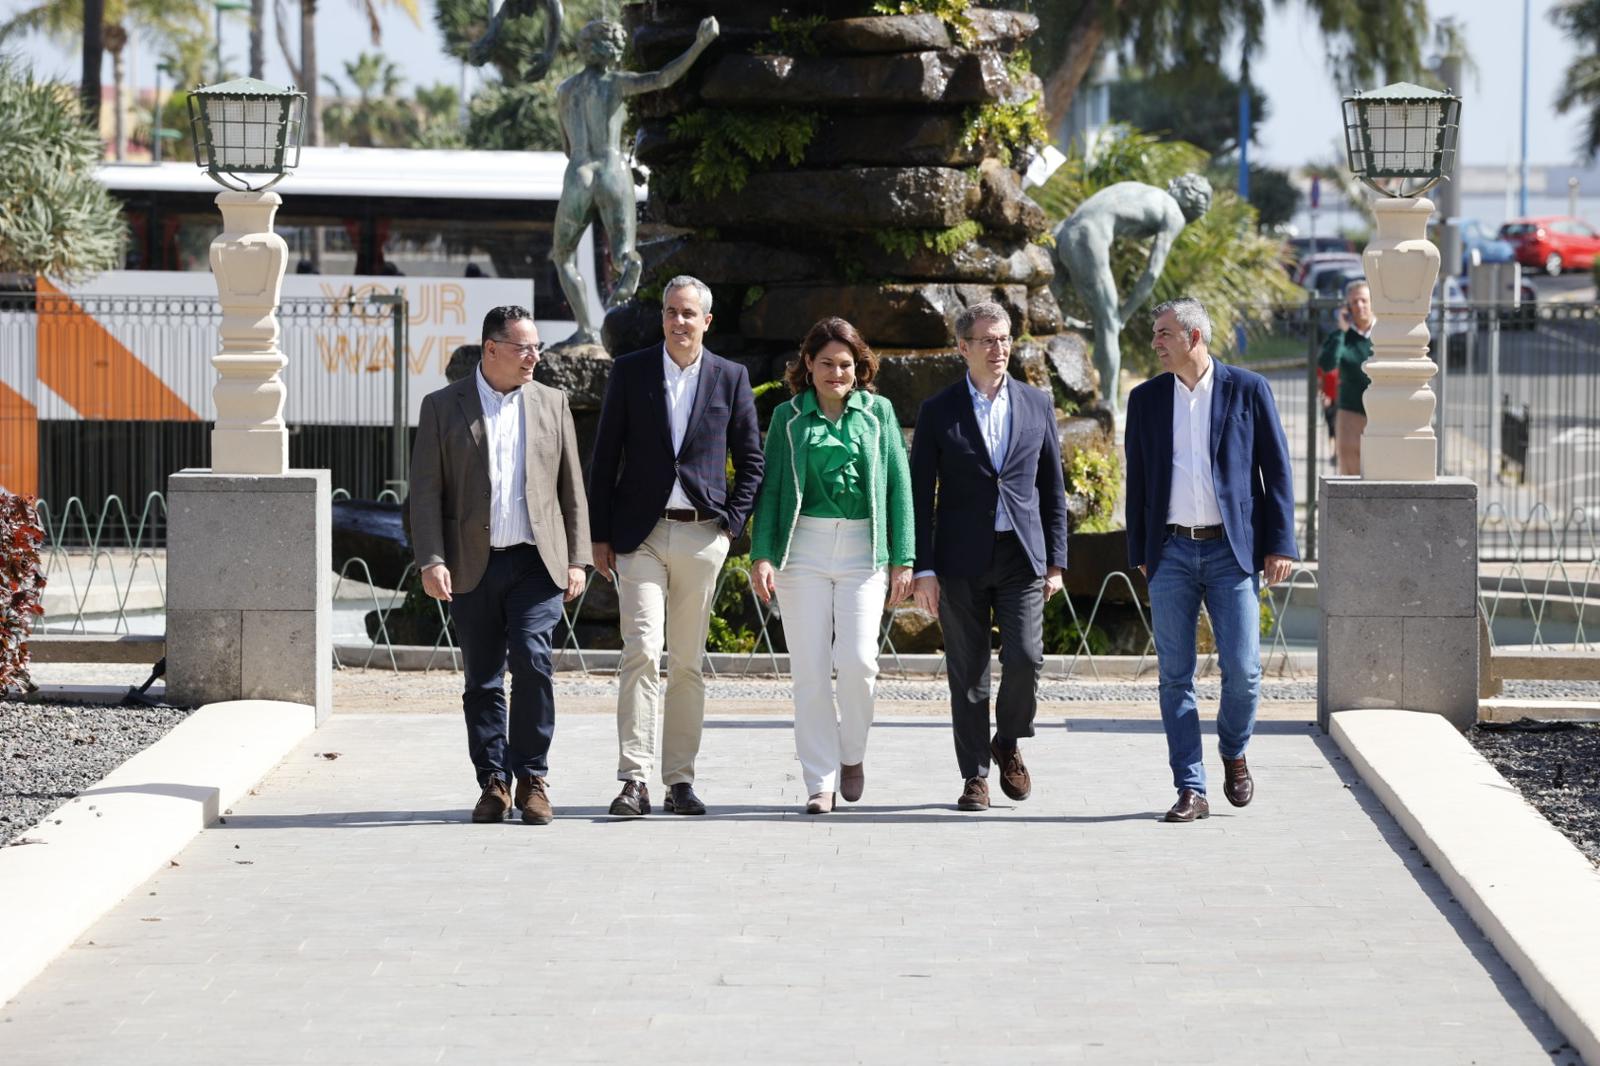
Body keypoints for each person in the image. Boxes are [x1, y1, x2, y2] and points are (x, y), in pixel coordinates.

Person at [407, 305, 591, 825]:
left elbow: (572, 488)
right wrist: (431, 559)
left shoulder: (553, 402)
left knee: (533, 661)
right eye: (523, 348)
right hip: (472, 563)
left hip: (536, 562)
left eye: (537, 348)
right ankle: (493, 781)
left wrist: (577, 558)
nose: (534, 357)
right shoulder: (442, 406)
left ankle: (532, 777)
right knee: (483, 680)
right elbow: (425, 492)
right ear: (491, 349)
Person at [588, 275, 764, 817]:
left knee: (686, 662)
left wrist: (730, 527)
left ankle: (680, 781)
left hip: (701, 534)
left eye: (689, 313)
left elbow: (751, 461)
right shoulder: (631, 370)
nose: (679, 321)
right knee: (641, 651)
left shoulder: (730, 377)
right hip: (638, 536)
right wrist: (599, 536)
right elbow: (604, 457)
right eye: (671, 311)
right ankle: (634, 779)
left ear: (706, 321)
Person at [1124, 297, 1297, 824]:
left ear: (1194, 337)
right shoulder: (1146, 399)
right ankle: (1191, 787)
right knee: (1174, 677)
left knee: (1243, 672)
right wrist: (1141, 551)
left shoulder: (1248, 389)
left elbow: (1276, 471)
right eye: (1156, 334)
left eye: (1164, 333)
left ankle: (1233, 750)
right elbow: (1138, 481)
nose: (1156, 342)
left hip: (1231, 551)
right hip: (1170, 551)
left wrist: (1280, 544)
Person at [749, 318, 915, 815]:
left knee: (860, 664)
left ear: (858, 367)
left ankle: (852, 754)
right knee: (810, 672)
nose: (836, 373)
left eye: (845, 364)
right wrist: (762, 555)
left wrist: (903, 558)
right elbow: (772, 490)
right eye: (826, 363)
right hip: (803, 551)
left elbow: (899, 485)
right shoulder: (788, 417)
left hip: (864, 549)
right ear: (808, 364)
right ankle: (820, 780)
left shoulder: (879, 413)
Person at [910, 301, 1069, 812]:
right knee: (968, 671)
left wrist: (1056, 562)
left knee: (1026, 657)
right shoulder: (939, 410)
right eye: (987, 340)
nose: (999, 349)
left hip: (1022, 555)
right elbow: (919, 496)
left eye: (1004, 339)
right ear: (964, 347)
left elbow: (1053, 488)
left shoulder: (1037, 404)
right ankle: (975, 774)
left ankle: (1008, 740)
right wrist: (923, 568)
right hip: (959, 559)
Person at [549, 16, 720, 348]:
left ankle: (585, 330)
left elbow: (567, 147)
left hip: (579, 171)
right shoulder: (616, 83)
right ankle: (631, 267)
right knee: (623, 254)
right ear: (607, 50)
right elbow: (663, 77)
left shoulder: (565, 90)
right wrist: (700, 43)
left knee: (563, 255)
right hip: (612, 167)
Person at [1052, 174, 1213, 418]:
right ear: (1191, 202)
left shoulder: (1147, 192)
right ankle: (1110, 406)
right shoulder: (1173, 212)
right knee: (1109, 326)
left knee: (1046, 307)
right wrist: (1123, 316)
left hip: (1064, 229)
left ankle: (1071, 331)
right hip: (1088, 234)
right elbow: (1152, 273)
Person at [1318, 279, 1374, 475]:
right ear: (1347, 308)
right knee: (1350, 474)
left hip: (1381, 414)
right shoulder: (1342, 336)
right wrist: (1341, 332)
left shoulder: (1384, 335)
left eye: (1364, 300)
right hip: (1350, 413)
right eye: (1354, 302)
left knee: (1382, 472)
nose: (1359, 306)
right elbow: (1327, 364)